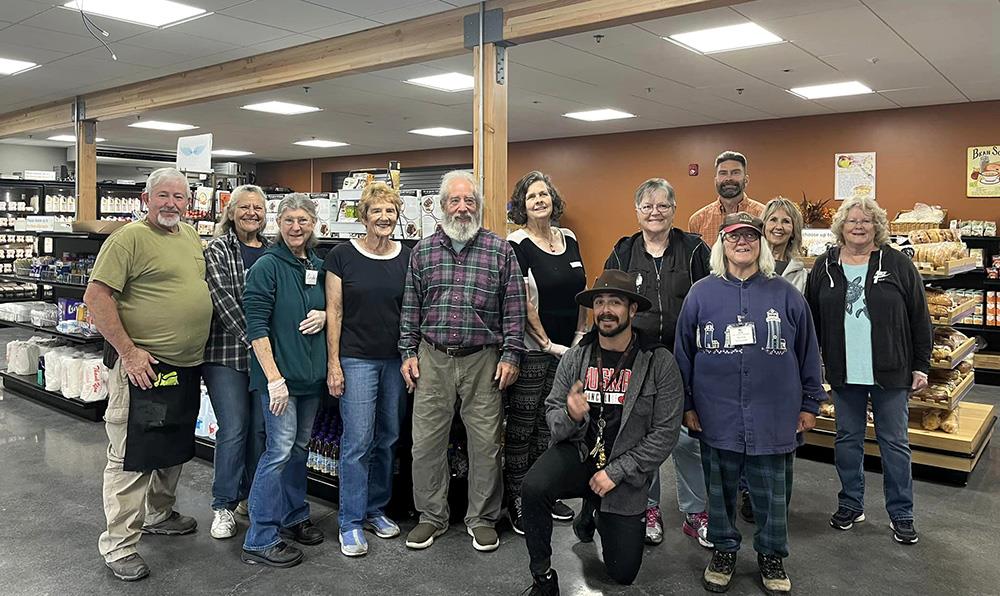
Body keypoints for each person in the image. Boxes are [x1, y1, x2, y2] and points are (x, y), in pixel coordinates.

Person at [674, 212, 826, 595]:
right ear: (721, 244)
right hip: (716, 412)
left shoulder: (786, 295)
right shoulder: (700, 294)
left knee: (773, 493)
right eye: (733, 236)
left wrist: (810, 403)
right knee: (720, 490)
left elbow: (809, 351)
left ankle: (771, 555)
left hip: (774, 413)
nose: (742, 242)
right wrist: (687, 404)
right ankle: (724, 550)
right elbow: (683, 355)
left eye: (750, 236)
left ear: (761, 246)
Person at [85, 167, 213, 582]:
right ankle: (119, 545)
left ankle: (158, 514)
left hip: (184, 366)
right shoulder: (127, 239)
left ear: (188, 203)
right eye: (163, 196)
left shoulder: (191, 236)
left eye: (179, 197)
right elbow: (96, 297)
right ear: (145, 199)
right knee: (131, 455)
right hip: (142, 368)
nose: (172, 204)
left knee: (171, 445)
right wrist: (129, 352)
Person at [521, 270, 683, 595]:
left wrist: (617, 472)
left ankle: (592, 510)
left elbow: (665, 433)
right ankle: (542, 576)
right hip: (580, 454)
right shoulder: (576, 356)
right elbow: (552, 414)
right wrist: (570, 414)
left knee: (622, 573)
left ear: (632, 310)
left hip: (623, 470)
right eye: (600, 302)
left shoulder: (658, 362)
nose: (606, 310)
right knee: (533, 487)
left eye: (615, 302)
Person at [399, 170, 526, 553]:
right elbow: (410, 309)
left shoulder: (500, 251)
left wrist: (511, 355)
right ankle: (431, 517)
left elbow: (514, 310)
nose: (462, 207)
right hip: (432, 358)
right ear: (441, 207)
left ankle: (482, 518)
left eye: (469, 201)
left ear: (479, 207)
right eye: (454, 200)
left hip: (483, 361)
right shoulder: (422, 251)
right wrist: (407, 352)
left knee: (486, 443)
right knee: (425, 444)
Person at [805, 197, 930, 546]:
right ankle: (850, 504)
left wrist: (922, 365)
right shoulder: (824, 266)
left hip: (891, 370)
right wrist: (814, 368)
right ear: (840, 227)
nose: (858, 226)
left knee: (894, 443)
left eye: (866, 221)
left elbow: (920, 317)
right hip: (844, 372)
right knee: (847, 440)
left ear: (877, 227)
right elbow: (811, 321)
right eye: (851, 221)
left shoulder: (897, 263)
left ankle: (902, 513)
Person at [603, 178, 712, 548]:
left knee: (687, 438)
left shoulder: (694, 249)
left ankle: (696, 512)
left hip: (686, 356)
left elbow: (710, 297)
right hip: (639, 358)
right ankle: (648, 507)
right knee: (639, 437)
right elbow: (608, 303)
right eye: (648, 206)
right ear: (637, 212)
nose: (655, 213)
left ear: (674, 210)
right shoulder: (623, 252)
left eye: (663, 206)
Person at [240, 194, 328, 568]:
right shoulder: (267, 266)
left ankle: (294, 516)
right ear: (278, 223)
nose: (296, 227)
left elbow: (334, 306)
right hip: (280, 380)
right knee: (277, 452)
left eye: (303, 220)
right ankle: (259, 537)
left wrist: (324, 314)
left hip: (309, 379)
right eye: (289, 220)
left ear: (314, 224)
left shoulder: (318, 266)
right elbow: (256, 326)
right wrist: (273, 378)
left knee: (298, 449)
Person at [325, 182, 411, 557]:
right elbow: (335, 312)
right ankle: (350, 521)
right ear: (363, 216)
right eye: (376, 211)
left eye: (390, 211)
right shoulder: (342, 256)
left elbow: (413, 311)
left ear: (398, 217)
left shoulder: (407, 256)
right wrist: (334, 364)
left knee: (388, 437)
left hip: (395, 360)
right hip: (356, 359)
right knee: (357, 441)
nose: (384, 218)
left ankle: (376, 509)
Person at [504, 170, 588, 533]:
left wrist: (581, 335)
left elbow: (583, 288)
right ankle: (518, 499)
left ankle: (542, 492)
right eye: (531, 197)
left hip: (569, 349)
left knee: (549, 426)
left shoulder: (568, 238)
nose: (539, 201)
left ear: (553, 200)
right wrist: (547, 344)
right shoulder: (516, 243)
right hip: (535, 350)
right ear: (522, 206)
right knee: (522, 427)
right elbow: (523, 302)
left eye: (544, 195)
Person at [203, 184, 270, 540]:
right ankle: (223, 504)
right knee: (234, 429)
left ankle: (250, 496)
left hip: (267, 360)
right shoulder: (217, 249)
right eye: (244, 207)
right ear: (231, 212)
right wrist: (258, 341)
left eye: (258, 208)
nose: (251, 213)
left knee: (261, 431)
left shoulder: (274, 252)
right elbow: (223, 301)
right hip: (226, 355)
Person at [688, 151, 765, 247]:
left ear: (746, 180)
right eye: (723, 173)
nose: (729, 178)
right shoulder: (698, 220)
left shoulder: (763, 215)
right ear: (715, 180)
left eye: (735, 173)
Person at [763, 197, 807, 293]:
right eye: (773, 220)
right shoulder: (750, 266)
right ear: (764, 226)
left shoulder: (801, 275)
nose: (779, 227)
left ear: (793, 231)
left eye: (786, 221)